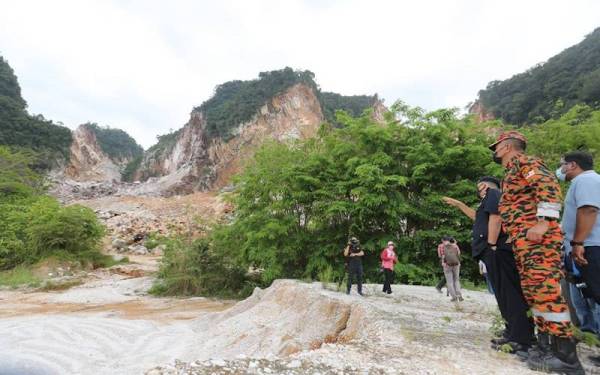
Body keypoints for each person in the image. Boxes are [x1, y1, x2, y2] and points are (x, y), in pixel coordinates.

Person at [490, 131, 583, 373]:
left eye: (496, 147)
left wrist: (543, 222)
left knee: (546, 292)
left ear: (508, 147)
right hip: (525, 241)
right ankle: (546, 348)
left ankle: (567, 357)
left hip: (538, 239)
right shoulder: (511, 172)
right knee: (535, 294)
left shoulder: (525, 162)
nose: (495, 152)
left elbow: (548, 186)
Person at [443, 176, 534, 355]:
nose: (479, 191)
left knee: (509, 293)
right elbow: (477, 217)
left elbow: (496, 218)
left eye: (479, 187)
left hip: (496, 250)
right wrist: (458, 204)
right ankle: (512, 332)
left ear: (484, 186)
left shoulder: (494, 193)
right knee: (502, 293)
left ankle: (521, 338)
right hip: (491, 251)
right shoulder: (487, 200)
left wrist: (492, 244)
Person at [558, 151, 600, 365]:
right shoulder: (585, 181)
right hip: (588, 246)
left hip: (592, 246)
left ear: (572, 165)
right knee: (591, 295)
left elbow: (589, 210)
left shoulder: (586, 180)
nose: (561, 169)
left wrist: (578, 243)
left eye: (562, 165)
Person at [437, 236, 463, 302]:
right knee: (456, 280)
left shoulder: (440, 246)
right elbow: (459, 254)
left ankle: (454, 297)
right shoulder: (455, 246)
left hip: (446, 265)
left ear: (443, 240)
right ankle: (459, 295)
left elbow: (440, 255)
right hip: (456, 264)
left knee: (450, 282)